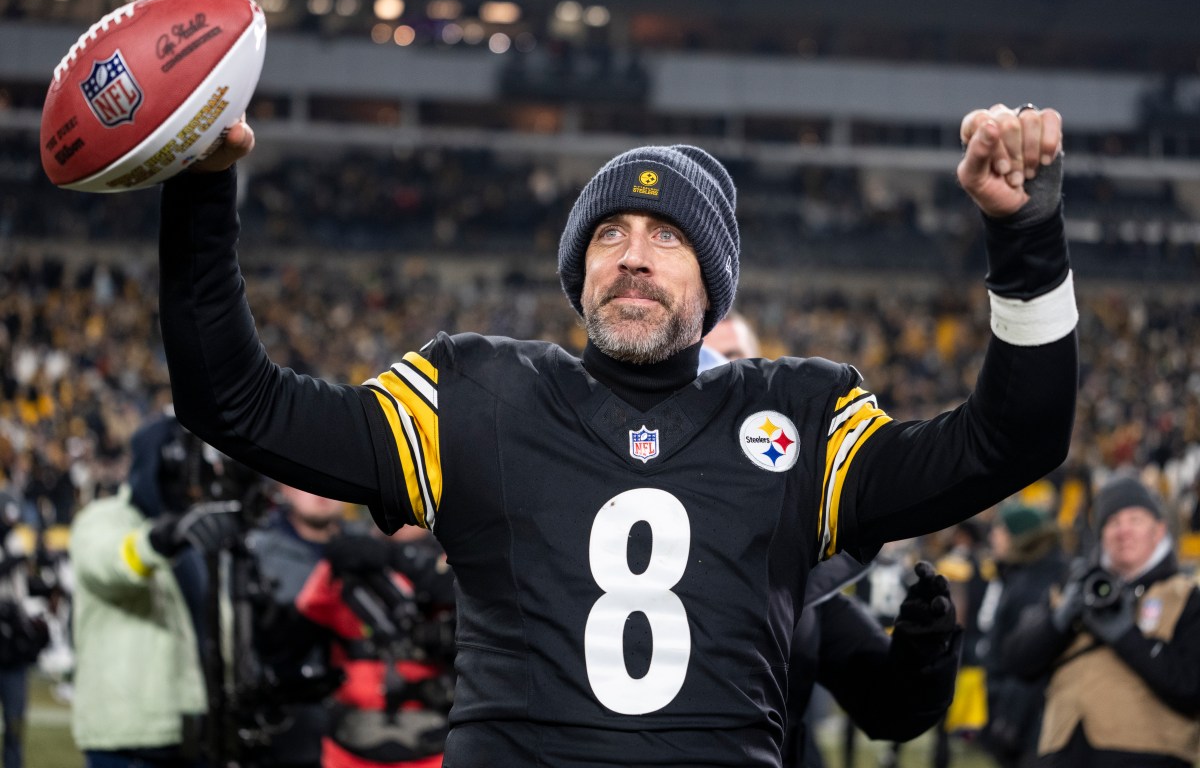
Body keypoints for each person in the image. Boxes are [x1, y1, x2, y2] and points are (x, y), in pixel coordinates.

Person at [152, 102, 1078, 766]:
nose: (634, 255)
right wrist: (201, 187)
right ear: (579, 271)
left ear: (713, 286)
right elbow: (236, 402)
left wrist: (1027, 241)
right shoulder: (475, 392)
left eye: (667, 236)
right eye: (610, 234)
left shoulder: (800, 414)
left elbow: (1012, 441)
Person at [704, 315, 962, 768]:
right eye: (704, 358)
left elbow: (890, 708)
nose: (718, 370)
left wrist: (922, 652)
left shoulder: (798, 559)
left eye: (733, 358)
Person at [68, 415, 242, 768]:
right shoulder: (103, 518)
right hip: (130, 742)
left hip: (195, 734)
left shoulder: (194, 537)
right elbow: (111, 564)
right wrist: (160, 539)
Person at [1004, 475, 1200, 766]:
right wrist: (1059, 620)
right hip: (1062, 753)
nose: (1124, 531)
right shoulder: (1075, 587)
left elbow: (1192, 689)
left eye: (1135, 520)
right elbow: (1017, 661)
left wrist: (1126, 637)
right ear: (1101, 536)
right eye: (1113, 522)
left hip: (1150, 757)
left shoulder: (1185, 595)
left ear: (1159, 530)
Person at [296, 526, 456, 768]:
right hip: (349, 748)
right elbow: (298, 635)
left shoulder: (458, 556)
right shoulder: (350, 557)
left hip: (437, 745)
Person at [247, 484, 348, 768]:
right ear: (284, 488)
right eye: (305, 478)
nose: (322, 488)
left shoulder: (369, 547)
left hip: (359, 726)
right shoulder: (255, 551)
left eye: (333, 477)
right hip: (287, 730)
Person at [977, 503, 1066, 767]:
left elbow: (1026, 658)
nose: (993, 537)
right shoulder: (1018, 574)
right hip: (1014, 712)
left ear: (1020, 536)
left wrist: (1007, 710)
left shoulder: (1037, 583)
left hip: (1026, 721)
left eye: (1000, 530)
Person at [0, 495, 48, 768]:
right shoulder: (14, 549)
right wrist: (13, 560)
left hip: (12, 648)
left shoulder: (16, 542)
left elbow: (24, 587)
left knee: (15, 724)